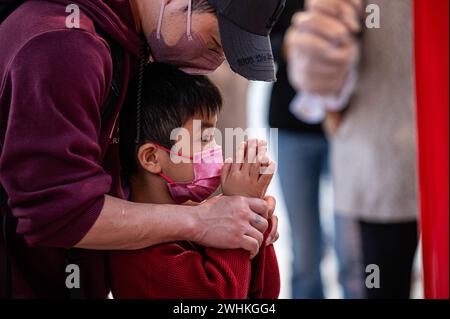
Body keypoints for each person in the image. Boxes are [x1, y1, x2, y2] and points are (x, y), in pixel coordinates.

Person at [0, 0, 285, 298]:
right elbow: (59, 212)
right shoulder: (65, 45)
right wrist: (203, 223)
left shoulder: (122, 37)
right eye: (216, 43)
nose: (213, 63)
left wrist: (244, 222)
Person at [109, 63, 279, 299]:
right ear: (151, 158)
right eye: (205, 138)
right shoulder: (144, 255)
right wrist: (239, 207)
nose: (216, 149)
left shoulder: (201, 216)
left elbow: (265, 294)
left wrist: (255, 216)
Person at [286, 0, 419, 298]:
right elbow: (316, 62)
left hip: (382, 153)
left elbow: (315, 66)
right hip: (383, 159)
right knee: (371, 278)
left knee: (377, 281)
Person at [268, 0, 363, 299]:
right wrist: (293, 45)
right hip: (292, 125)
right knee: (305, 250)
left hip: (350, 126)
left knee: (353, 249)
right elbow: (256, 41)